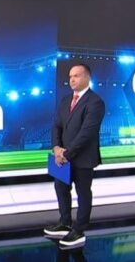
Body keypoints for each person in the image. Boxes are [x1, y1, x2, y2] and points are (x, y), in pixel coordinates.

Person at [44, 63, 106, 248]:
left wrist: (67, 154)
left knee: (83, 193)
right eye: (70, 76)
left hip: (83, 158)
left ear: (87, 78)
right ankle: (65, 223)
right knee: (60, 188)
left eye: (76, 76)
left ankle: (79, 230)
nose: (71, 79)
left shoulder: (95, 102)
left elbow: (87, 133)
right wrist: (56, 148)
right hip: (62, 157)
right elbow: (57, 125)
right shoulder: (65, 100)